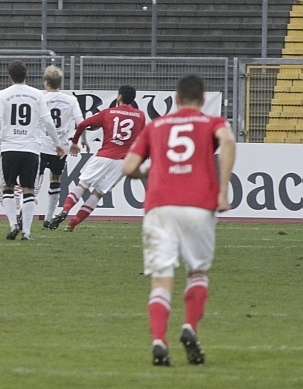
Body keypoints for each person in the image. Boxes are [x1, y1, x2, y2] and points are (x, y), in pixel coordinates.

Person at [122, 74, 235, 368]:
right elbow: (228, 141)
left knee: (161, 277)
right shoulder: (213, 122)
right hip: (199, 204)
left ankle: (159, 341)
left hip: (160, 206)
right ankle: (189, 327)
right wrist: (222, 190)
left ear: (175, 99)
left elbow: (128, 167)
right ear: (203, 99)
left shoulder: (155, 125)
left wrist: (146, 171)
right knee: (197, 272)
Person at [48, 84, 146, 231]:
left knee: (82, 185)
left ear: (119, 96)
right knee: (98, 193)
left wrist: (74, 142)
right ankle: (72, 224)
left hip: (104, 155)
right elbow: (143, 139)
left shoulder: (108, 113)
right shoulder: (140, 116)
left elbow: (82, 124)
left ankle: (65, 210)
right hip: (123, 162)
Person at [0, 60, 65, 241]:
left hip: (10, 147)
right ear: (27, 75)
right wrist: (57, 143)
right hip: (31, 149)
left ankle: (12, 224)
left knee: (8, 187)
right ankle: (26, 232)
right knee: (29, 189)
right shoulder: (37, 94)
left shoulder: (3, 95)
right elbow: (48, 121)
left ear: (9, 76)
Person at [37, 65, 85, 227]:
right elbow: (81, 123)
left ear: (46, 82)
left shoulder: (41, 99)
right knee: (55, 178)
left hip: (42, 145)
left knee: (33, 180)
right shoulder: (71, 100)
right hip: (61, 148)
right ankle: (49, 217)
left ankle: (24, 212)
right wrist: (79, 141)